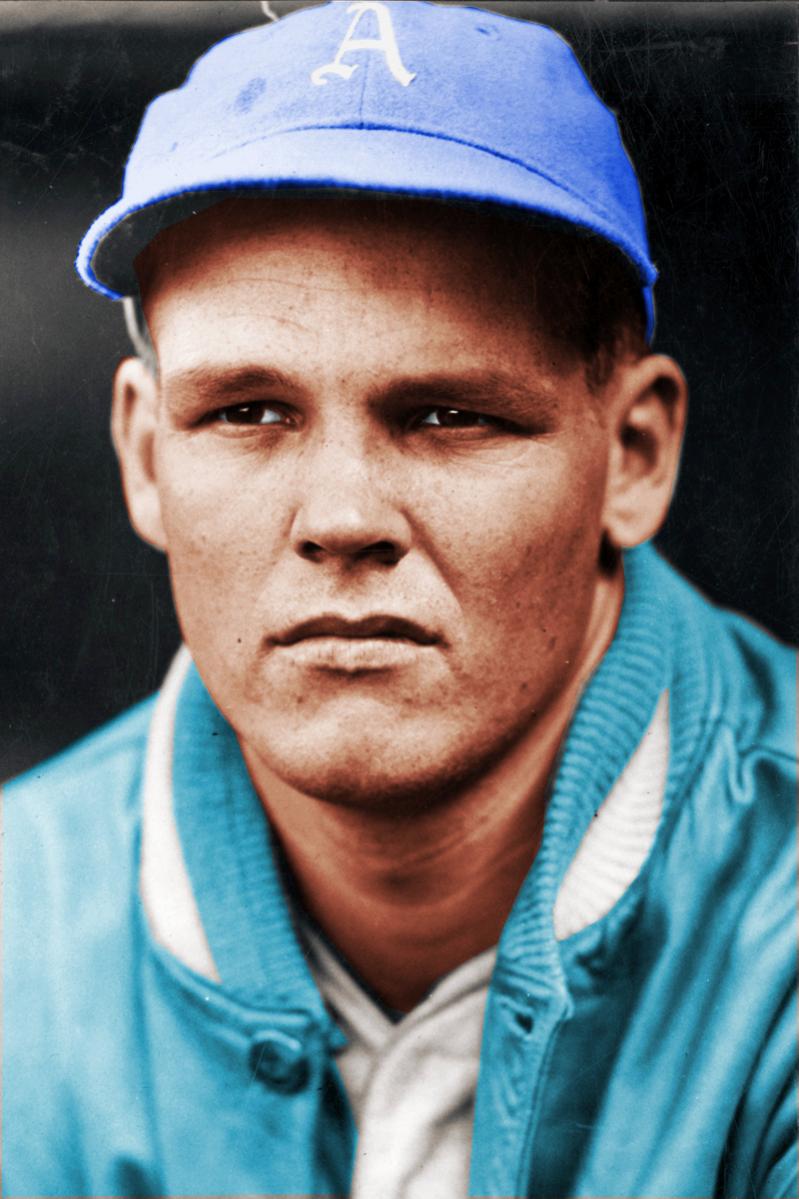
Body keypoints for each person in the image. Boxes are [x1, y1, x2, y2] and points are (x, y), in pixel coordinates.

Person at [3, 3, 796, 1197]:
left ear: (632, 455)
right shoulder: (18, 925)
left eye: (447, 414)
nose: (341, 516)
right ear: (146, 455)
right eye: (246, 412)